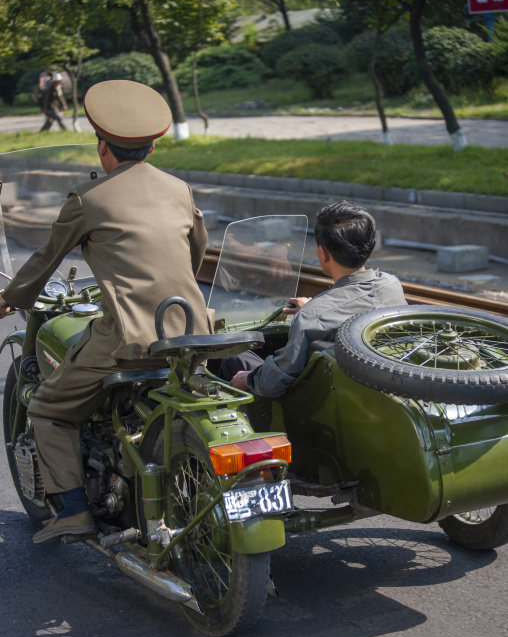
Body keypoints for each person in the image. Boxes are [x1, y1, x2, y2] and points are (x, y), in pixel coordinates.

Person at [0, 80, 211, 544]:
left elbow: (45, 259)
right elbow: (195, 253)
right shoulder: (179, 189)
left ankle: (74, 511)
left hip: (126, 340)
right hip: (191, 331)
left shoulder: (88, 200)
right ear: (153, 146)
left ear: (102, 148)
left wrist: (10, 299)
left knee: (48, 407)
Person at [224, 200, 406, 398]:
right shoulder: (391, 285)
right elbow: (356, 307)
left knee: (233, 358)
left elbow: (273, 382)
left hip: (317, 400)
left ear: (323, 253)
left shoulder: (311, 317)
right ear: (369, 245)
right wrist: (314, 308)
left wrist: (248, 378)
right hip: (374, 388)